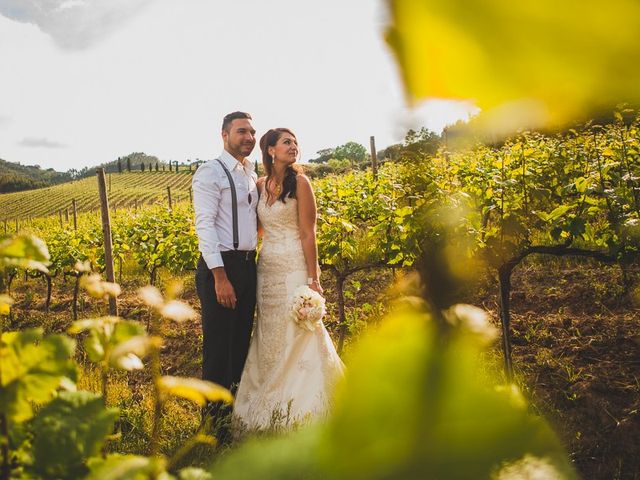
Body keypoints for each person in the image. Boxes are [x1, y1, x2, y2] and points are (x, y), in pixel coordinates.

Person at [233, 128, 345, 431]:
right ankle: (269, 408)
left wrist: (314, 277)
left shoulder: (301, 183)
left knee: (300, 330)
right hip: (267, 267)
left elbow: (309, 233)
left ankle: (308, 409)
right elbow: (256, 230)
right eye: (287, 142)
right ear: (270, 150)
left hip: (295, 265)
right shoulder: (259, 184)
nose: (293, 146)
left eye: (295, 142)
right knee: (269, 332)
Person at [193, 111, 258, 441]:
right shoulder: (210, 172)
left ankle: (232, 420)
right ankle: (212, 429)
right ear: (224, 135)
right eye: (241, 131)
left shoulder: (250, 171)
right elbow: (204, 227)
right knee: (219, 350)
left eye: (252, 132)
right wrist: (220, 276)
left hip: (248, 266)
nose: (249, 137)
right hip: (222, 268)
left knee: (239, 346)